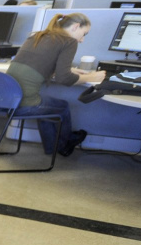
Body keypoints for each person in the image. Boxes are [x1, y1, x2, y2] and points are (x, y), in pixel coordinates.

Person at [6, 12, 105, 156]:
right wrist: (92, 76)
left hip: (5, 100)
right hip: (23, 104)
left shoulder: (38, 35)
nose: (82, 40)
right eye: (84, 34)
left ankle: (54, 146)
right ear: (76, 27)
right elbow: (64, 79)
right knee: (62, 107)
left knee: (50, 106)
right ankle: (63, 145)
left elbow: (38, 64)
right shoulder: (68, 41)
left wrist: (70, 70)